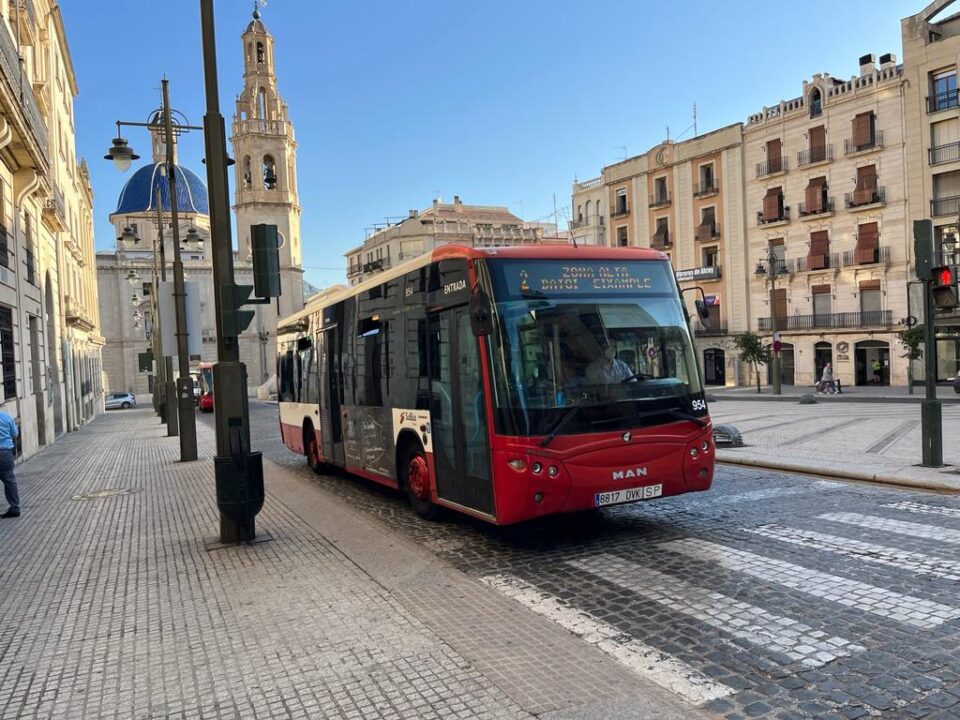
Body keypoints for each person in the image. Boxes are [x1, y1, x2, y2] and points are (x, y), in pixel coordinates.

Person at [0, 410, 19, 518]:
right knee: (9, 480)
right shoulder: (6, 416)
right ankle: (15, 508)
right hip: (5, 452)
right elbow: (15, 434)